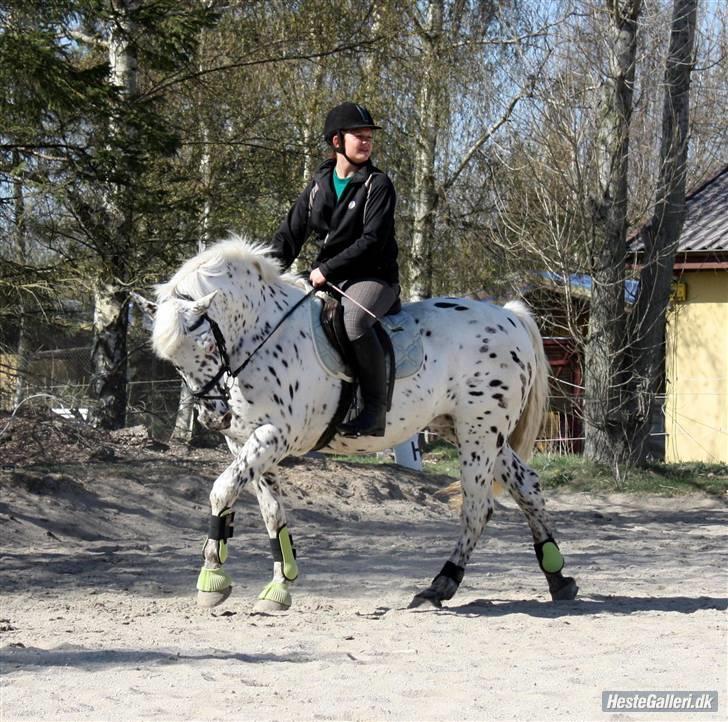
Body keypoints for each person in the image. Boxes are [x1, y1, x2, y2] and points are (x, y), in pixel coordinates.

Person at [271, 102, 400, 437]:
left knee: (353, 321)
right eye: (359, 135)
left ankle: (373, 410)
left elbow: (372, 240)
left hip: (374, 277)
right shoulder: (319, 185)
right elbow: (290, 234)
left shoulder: (377, 185)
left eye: (369, 135)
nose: (367, 141)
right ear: (337, 141)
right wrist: (265, 272)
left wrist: (326, 269)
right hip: (330, 275)